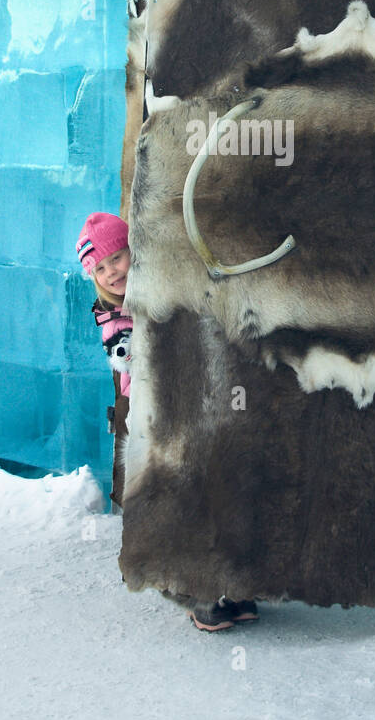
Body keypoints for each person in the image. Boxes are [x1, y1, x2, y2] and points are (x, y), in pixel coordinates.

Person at [75, 209, 259, 633]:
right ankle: (197, 591)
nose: (111, 273)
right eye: (100, 269)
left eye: (116, 258)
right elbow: (132, 355)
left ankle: (236, 584)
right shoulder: (110, 315)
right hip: (154, 418)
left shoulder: (161, 286)